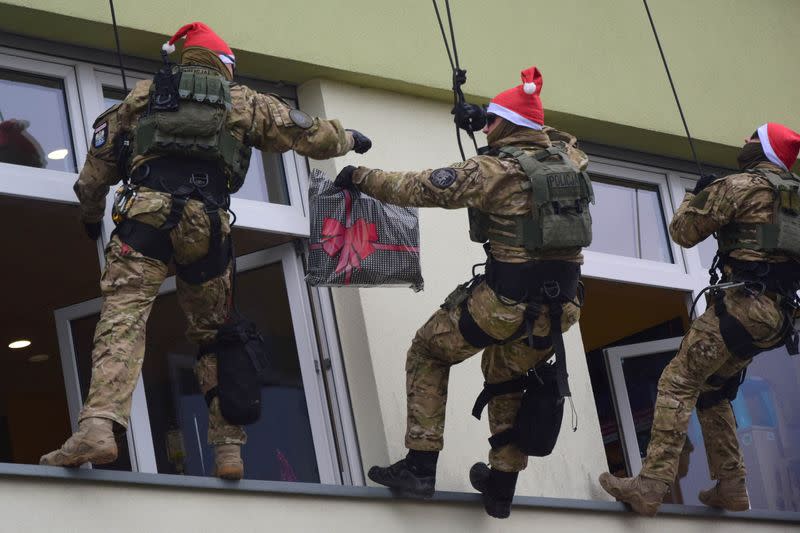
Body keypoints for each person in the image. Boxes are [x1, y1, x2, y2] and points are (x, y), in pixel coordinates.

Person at [39, 21, 371, 480]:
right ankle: (229, 450)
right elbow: (313, 137)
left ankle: (98, 427)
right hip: (208, 225)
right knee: (216, 334)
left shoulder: (141, 97)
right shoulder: (244, 101)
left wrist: (91, 217)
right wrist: (351, 138)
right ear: (225, 64)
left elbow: (93, 175)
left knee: (124, 319)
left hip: (145, 219)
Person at [333, 67, 593, 518]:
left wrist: (359, 176)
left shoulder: (490, 170)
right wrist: (495, 121)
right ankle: (500, 488)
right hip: (561, 308)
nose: (485, 127)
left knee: (428, 351)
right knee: (506, 377)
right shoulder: (572, 160)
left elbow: (415, 187)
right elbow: (557, 135)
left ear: (509, 126)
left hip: (502, 304)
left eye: (493, 120)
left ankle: (420, 465)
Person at [599, 123, 800, 516]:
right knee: (712, 387)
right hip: (780, 319)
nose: (743, 140)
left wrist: (694, 195)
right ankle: (732, 484)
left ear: (764, 149)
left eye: (751, 137)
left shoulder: (741, 185)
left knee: (677, 381)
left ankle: (651, 484)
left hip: (742, 307)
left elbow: (683, 233)